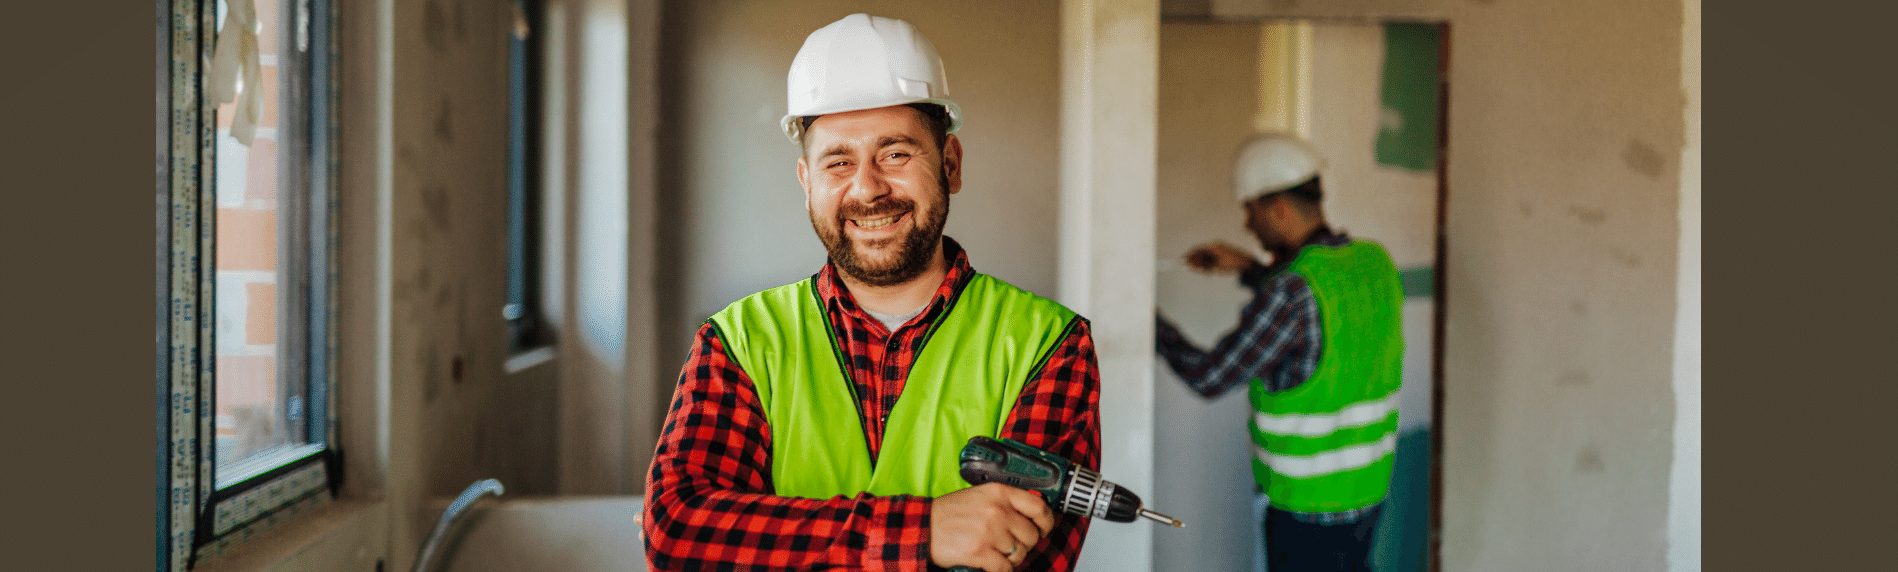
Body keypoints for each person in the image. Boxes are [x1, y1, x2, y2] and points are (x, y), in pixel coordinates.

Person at [642, 14, 1101, 572]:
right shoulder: (738, 342)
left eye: (896, 154)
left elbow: (1024, 558)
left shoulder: (1047, 343)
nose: (868, 189)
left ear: (950, 165)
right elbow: (679, 533)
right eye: (838, 162)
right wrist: (924, 532)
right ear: (808, 183)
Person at [1154, 134, 1404, 572]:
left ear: (1279, 209)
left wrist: (1145, 320)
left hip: (1307, 513)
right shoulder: (1373, 264)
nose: (1248, 227)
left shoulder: (1292, 292)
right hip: (1367, 496)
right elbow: (1319, 322)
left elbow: (1209, 376)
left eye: (1250, 213)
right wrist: (1250, 268)